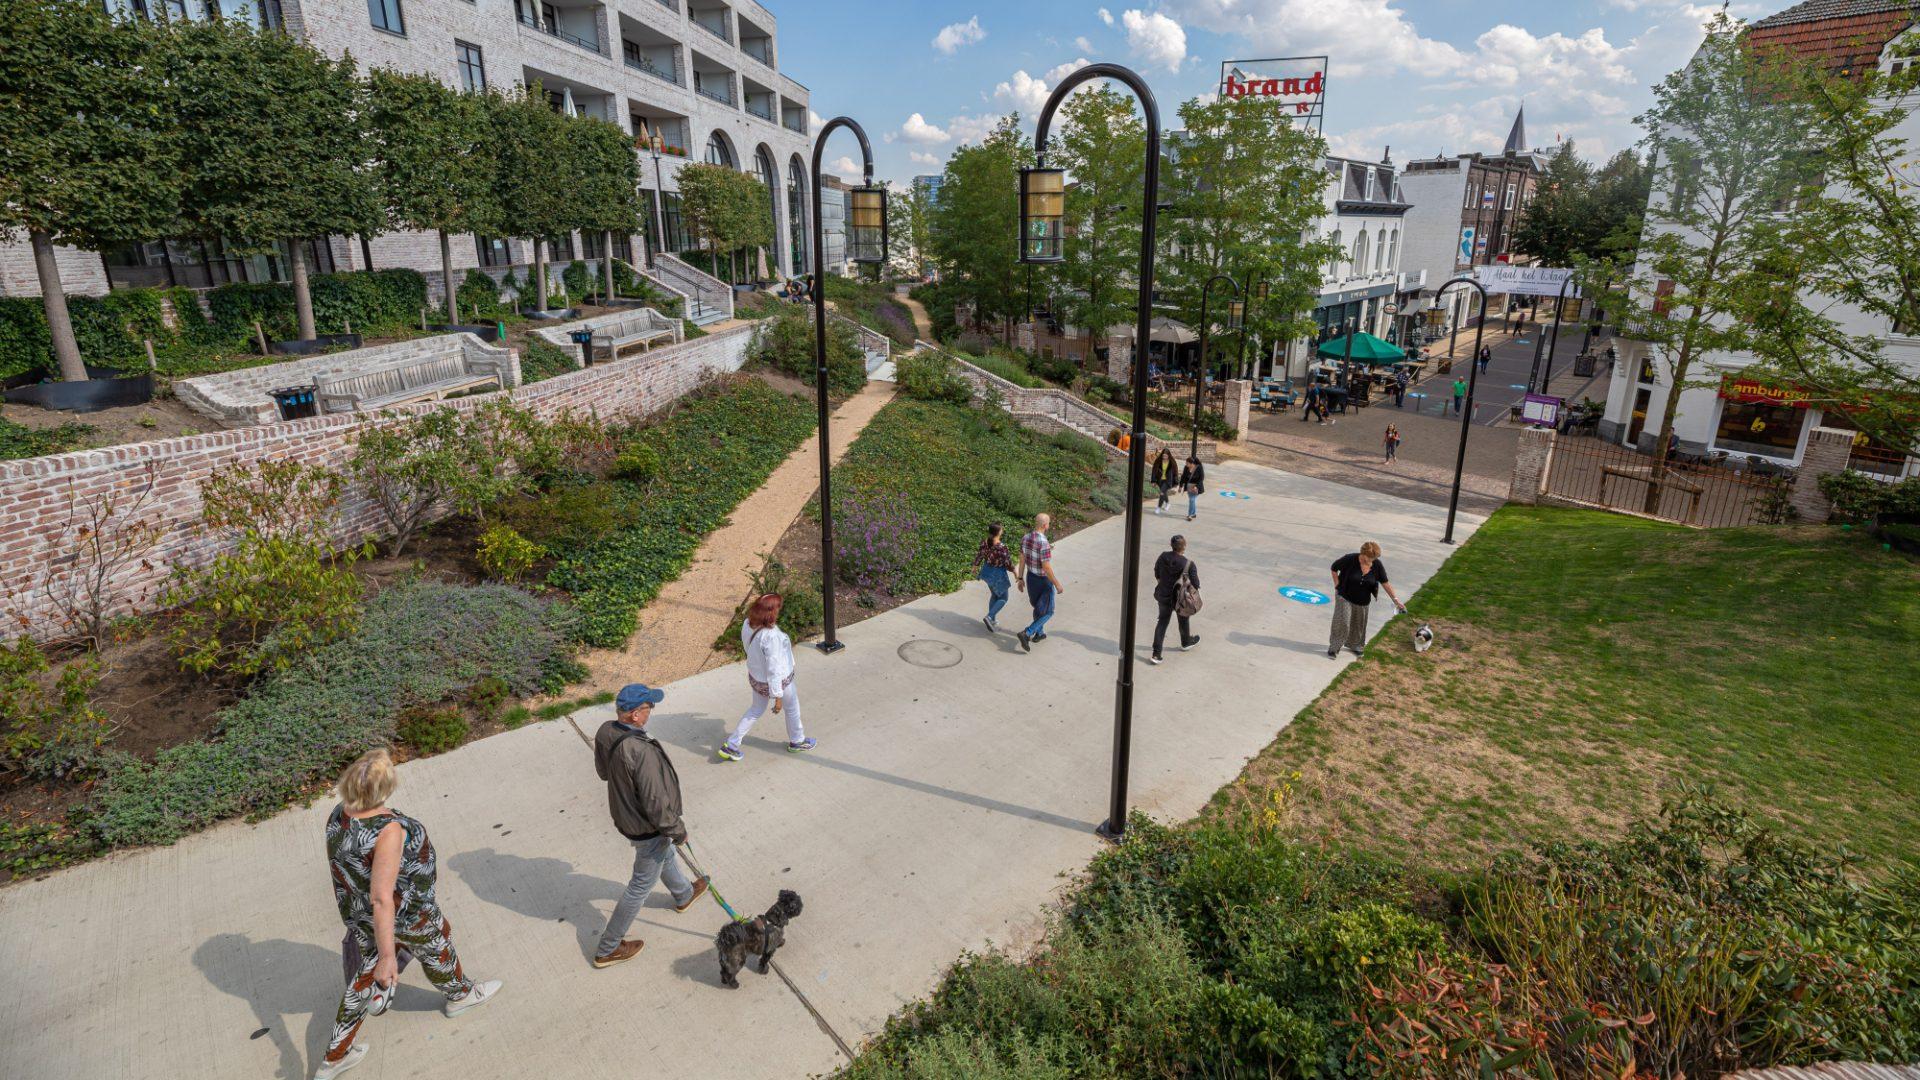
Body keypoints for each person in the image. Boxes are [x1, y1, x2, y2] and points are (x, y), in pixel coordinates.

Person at [317, 749, 502, 1079]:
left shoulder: (339, 815)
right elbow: (382, 899)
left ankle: (335, 1056)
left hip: (360, 914)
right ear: (384, 789)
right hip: (404, 913)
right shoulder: (387, 831)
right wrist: (388, 955)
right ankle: (460, 995)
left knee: (369, 973)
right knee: (434, 946)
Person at [593, 683, 708, 969]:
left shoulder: (606, 731)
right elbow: (656, 803)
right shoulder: (640, 751)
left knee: (662, 854)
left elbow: (603, 772)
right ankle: (607, 948)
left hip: (627, 815)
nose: (651, 711)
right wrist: (677, 830)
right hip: (646, 824)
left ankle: (683, 894)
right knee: (640, 884)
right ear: (634, 714)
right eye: (647, 708)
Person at [719, 595, 814, 761]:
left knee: (755, 710)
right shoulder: (771, 636)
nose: (779, 611)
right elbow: (775, 669)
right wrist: (777, 696)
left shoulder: (748, 624)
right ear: (770, 612)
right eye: (778, 608)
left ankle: (731, 745)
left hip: (757, 679)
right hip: (779, 682)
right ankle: (797, 741)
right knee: (791, 708)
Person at [1327, 542, 1407, 660]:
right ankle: (1334, 647)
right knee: (1343, 622)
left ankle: (1356, 646)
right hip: (1344, 596)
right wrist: (1337, 585)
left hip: (1362, 600)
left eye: (1374, 558)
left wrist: (1396, 600)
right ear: (1362, 553)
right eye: (1369, 557)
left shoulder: (1377, 565)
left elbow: (1385, 583)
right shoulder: (1350, 559)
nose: (1371, 560)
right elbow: (1334, 568)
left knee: (1359, 625)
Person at [1148, 534, 1200, 665]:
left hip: (1163, 596)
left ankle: (1156, 654)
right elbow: (1196, 584)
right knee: (1183, 618)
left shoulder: (1163, 556)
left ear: (1171, 545)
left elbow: (1157, 573)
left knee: (1162, 622)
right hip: (1180, 599)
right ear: (1184, 547)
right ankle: (1186, 642)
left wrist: (1164, 584)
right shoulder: (1188, 564)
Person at [1016, 513, 1063, 653]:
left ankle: (1039, 633)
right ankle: (1027, 632)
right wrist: (1057, 584)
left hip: (1031, 578)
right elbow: (1046, 567)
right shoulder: (1044, 542)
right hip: (1043, 581)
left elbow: (1022, 558)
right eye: (1049, 523)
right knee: (1048, 611)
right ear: (1045, 525)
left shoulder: (1026, 537)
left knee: (1038, 607)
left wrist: (1020, 578)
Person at [972, 522, 1019, 632]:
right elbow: (1008, 563)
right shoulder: (1001, 547)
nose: (1002, 530)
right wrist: (1016, 573)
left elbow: (980, 554)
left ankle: (992, 620)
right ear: (998, 532)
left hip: (986, 571)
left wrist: (975, 566)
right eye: (1001, 529)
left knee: (994, 595)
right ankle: (989, 617)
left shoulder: (985, 542)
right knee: (1003, 598)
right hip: (997, 574)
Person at [1151, 448, 1178, 514]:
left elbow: (1175, 472)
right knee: (1164, 492)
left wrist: (1176, 482)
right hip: (1160, 480)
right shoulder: (1158, 461)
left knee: (1162, 493)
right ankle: (1168, 503)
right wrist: (1153, 481)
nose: (1164, 457)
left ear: (1169, 455)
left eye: (1166, 456)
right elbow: (1154, 471)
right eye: (1163, 456)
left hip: (1168, 480)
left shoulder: (1172, 461)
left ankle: (1159, 507)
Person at [1180, 455, 1206, 521]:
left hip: (1196, 487)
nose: (1186, 464)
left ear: (1192, 463)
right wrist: (1180, 486)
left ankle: (1190, 515)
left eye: (1187, 463)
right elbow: (1183, 477)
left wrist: (1196, 486)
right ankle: (1193, 513)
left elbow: (1201, 478)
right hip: (1189, 487)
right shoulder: (1186, 468)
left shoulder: (1199, 468)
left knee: (1191, 500)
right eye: (1186, 463)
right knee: (1192, 500)